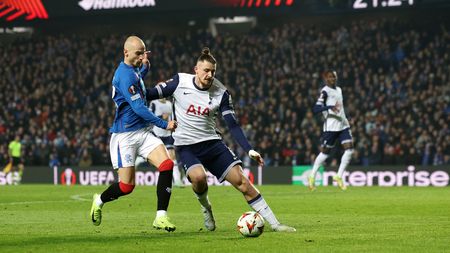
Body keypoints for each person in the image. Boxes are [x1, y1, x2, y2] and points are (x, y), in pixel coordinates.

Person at [147, 47, 296, 232]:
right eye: (206, 70)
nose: (209, 75)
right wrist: (132, 84)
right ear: (196, 69)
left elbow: (232, 125)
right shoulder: (179, 82)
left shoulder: (221, 93)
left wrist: (249, 149)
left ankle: (275, 224)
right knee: (199, 178)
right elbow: (150, 93)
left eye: (213, 71)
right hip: (186, 146)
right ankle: (206, 208)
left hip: (212, 144)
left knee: (243, 182)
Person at [90, 36, 178, 232]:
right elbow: (139, 107)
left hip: (142, 132)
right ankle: (100, 199)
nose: (142, 56)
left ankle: (161, 216)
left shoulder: (133, 71)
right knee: (126, 187)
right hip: (125, 136)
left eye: (144, 52)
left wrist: (145, 68)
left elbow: (139, 81)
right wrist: (164, 124)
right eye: (138, 53)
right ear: (126, 53)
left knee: (167, 164)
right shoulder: (124, 75)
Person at [309, 70, 354, 191]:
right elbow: (316, 109)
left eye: (334, 77)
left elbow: (340, 108)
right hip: (331, 127)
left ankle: (339, 176)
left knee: (349, 148)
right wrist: (329, 107)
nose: (333, 79)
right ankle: (312, 176)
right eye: (330, 77)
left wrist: (346, 118)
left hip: (343, 124)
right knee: (325, 153)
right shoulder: (325, 91)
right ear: (326, 79)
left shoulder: (339, 90)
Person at [150, 98, 186, 187]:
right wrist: (161, 117)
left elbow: (174, 117)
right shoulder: (154, 103)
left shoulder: (170, 104)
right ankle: (140, 159)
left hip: (167, 134)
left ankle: (177, 181)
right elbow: (149, 116)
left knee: (172, 156)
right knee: (159, 158)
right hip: (157, 134)